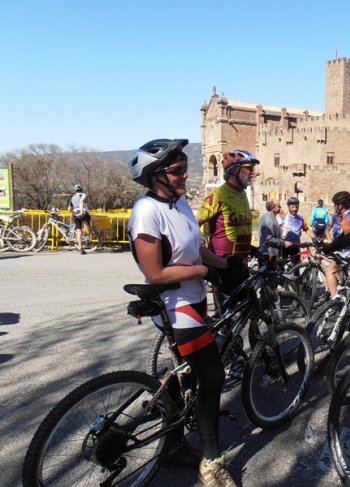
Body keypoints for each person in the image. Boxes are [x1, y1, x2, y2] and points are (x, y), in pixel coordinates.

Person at [126, 138, 235, 487]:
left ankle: (172, 444)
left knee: (185, 375)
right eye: (177, 170)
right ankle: (211, 461)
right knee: (212, 376)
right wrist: (203, 271)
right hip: (175, 305)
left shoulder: (180, 202)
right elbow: (156, 273)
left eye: (185, 167)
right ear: (156, 175)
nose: (185, 174)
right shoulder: (147, 211)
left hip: (194, 299)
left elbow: (196, 248)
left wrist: (227, 264)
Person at [196, 149, 260, 294]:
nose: (253, 172)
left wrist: (250, 249)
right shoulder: (219, 194)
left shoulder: (242, 194)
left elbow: (237, 231)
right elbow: (192, 227)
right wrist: (204, 255)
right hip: (223, 268)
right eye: (249, 168)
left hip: (240, 266)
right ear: (235, 170)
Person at [322, 191, 350, 296]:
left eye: (335, 204)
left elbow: (347, 239)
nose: (334, 207)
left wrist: (330, 247)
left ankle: (335, 300)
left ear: (340, 206)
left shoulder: (346, 219)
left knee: (329, 270)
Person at [281, 196, 317, 262]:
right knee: (281, 265)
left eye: (297, 207)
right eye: (293, 207)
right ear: (288, 206)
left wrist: (315, 238)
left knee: (296, 265)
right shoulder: (283, 217)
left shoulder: (300, 218)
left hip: (296, 245)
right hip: (284, 245)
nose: (295, 209)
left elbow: (306, 229)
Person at [68, 184, 92, 254]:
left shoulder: (72, 197)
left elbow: (69, 208)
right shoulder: (83, 195)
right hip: (83, 213)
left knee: (78, 231)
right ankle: (87, 240)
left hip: (76, 214)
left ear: (75, 190)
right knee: (88, 228)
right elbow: (81, 202)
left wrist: (74, 212)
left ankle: (80, 248)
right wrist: (81, 211)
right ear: (81, 189)